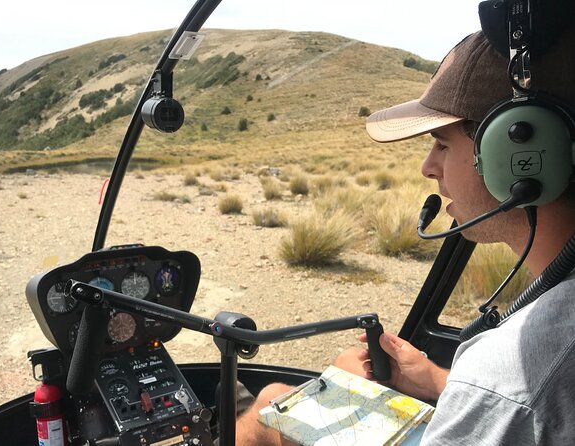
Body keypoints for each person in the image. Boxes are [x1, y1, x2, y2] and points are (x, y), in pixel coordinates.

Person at [235, 24, 575, 446]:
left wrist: (330, 392)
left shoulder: (517, 370)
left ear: (521, 153)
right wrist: (435, 380)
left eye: (443, 145)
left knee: (270, 412)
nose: (428, 167)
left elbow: (510, 396)